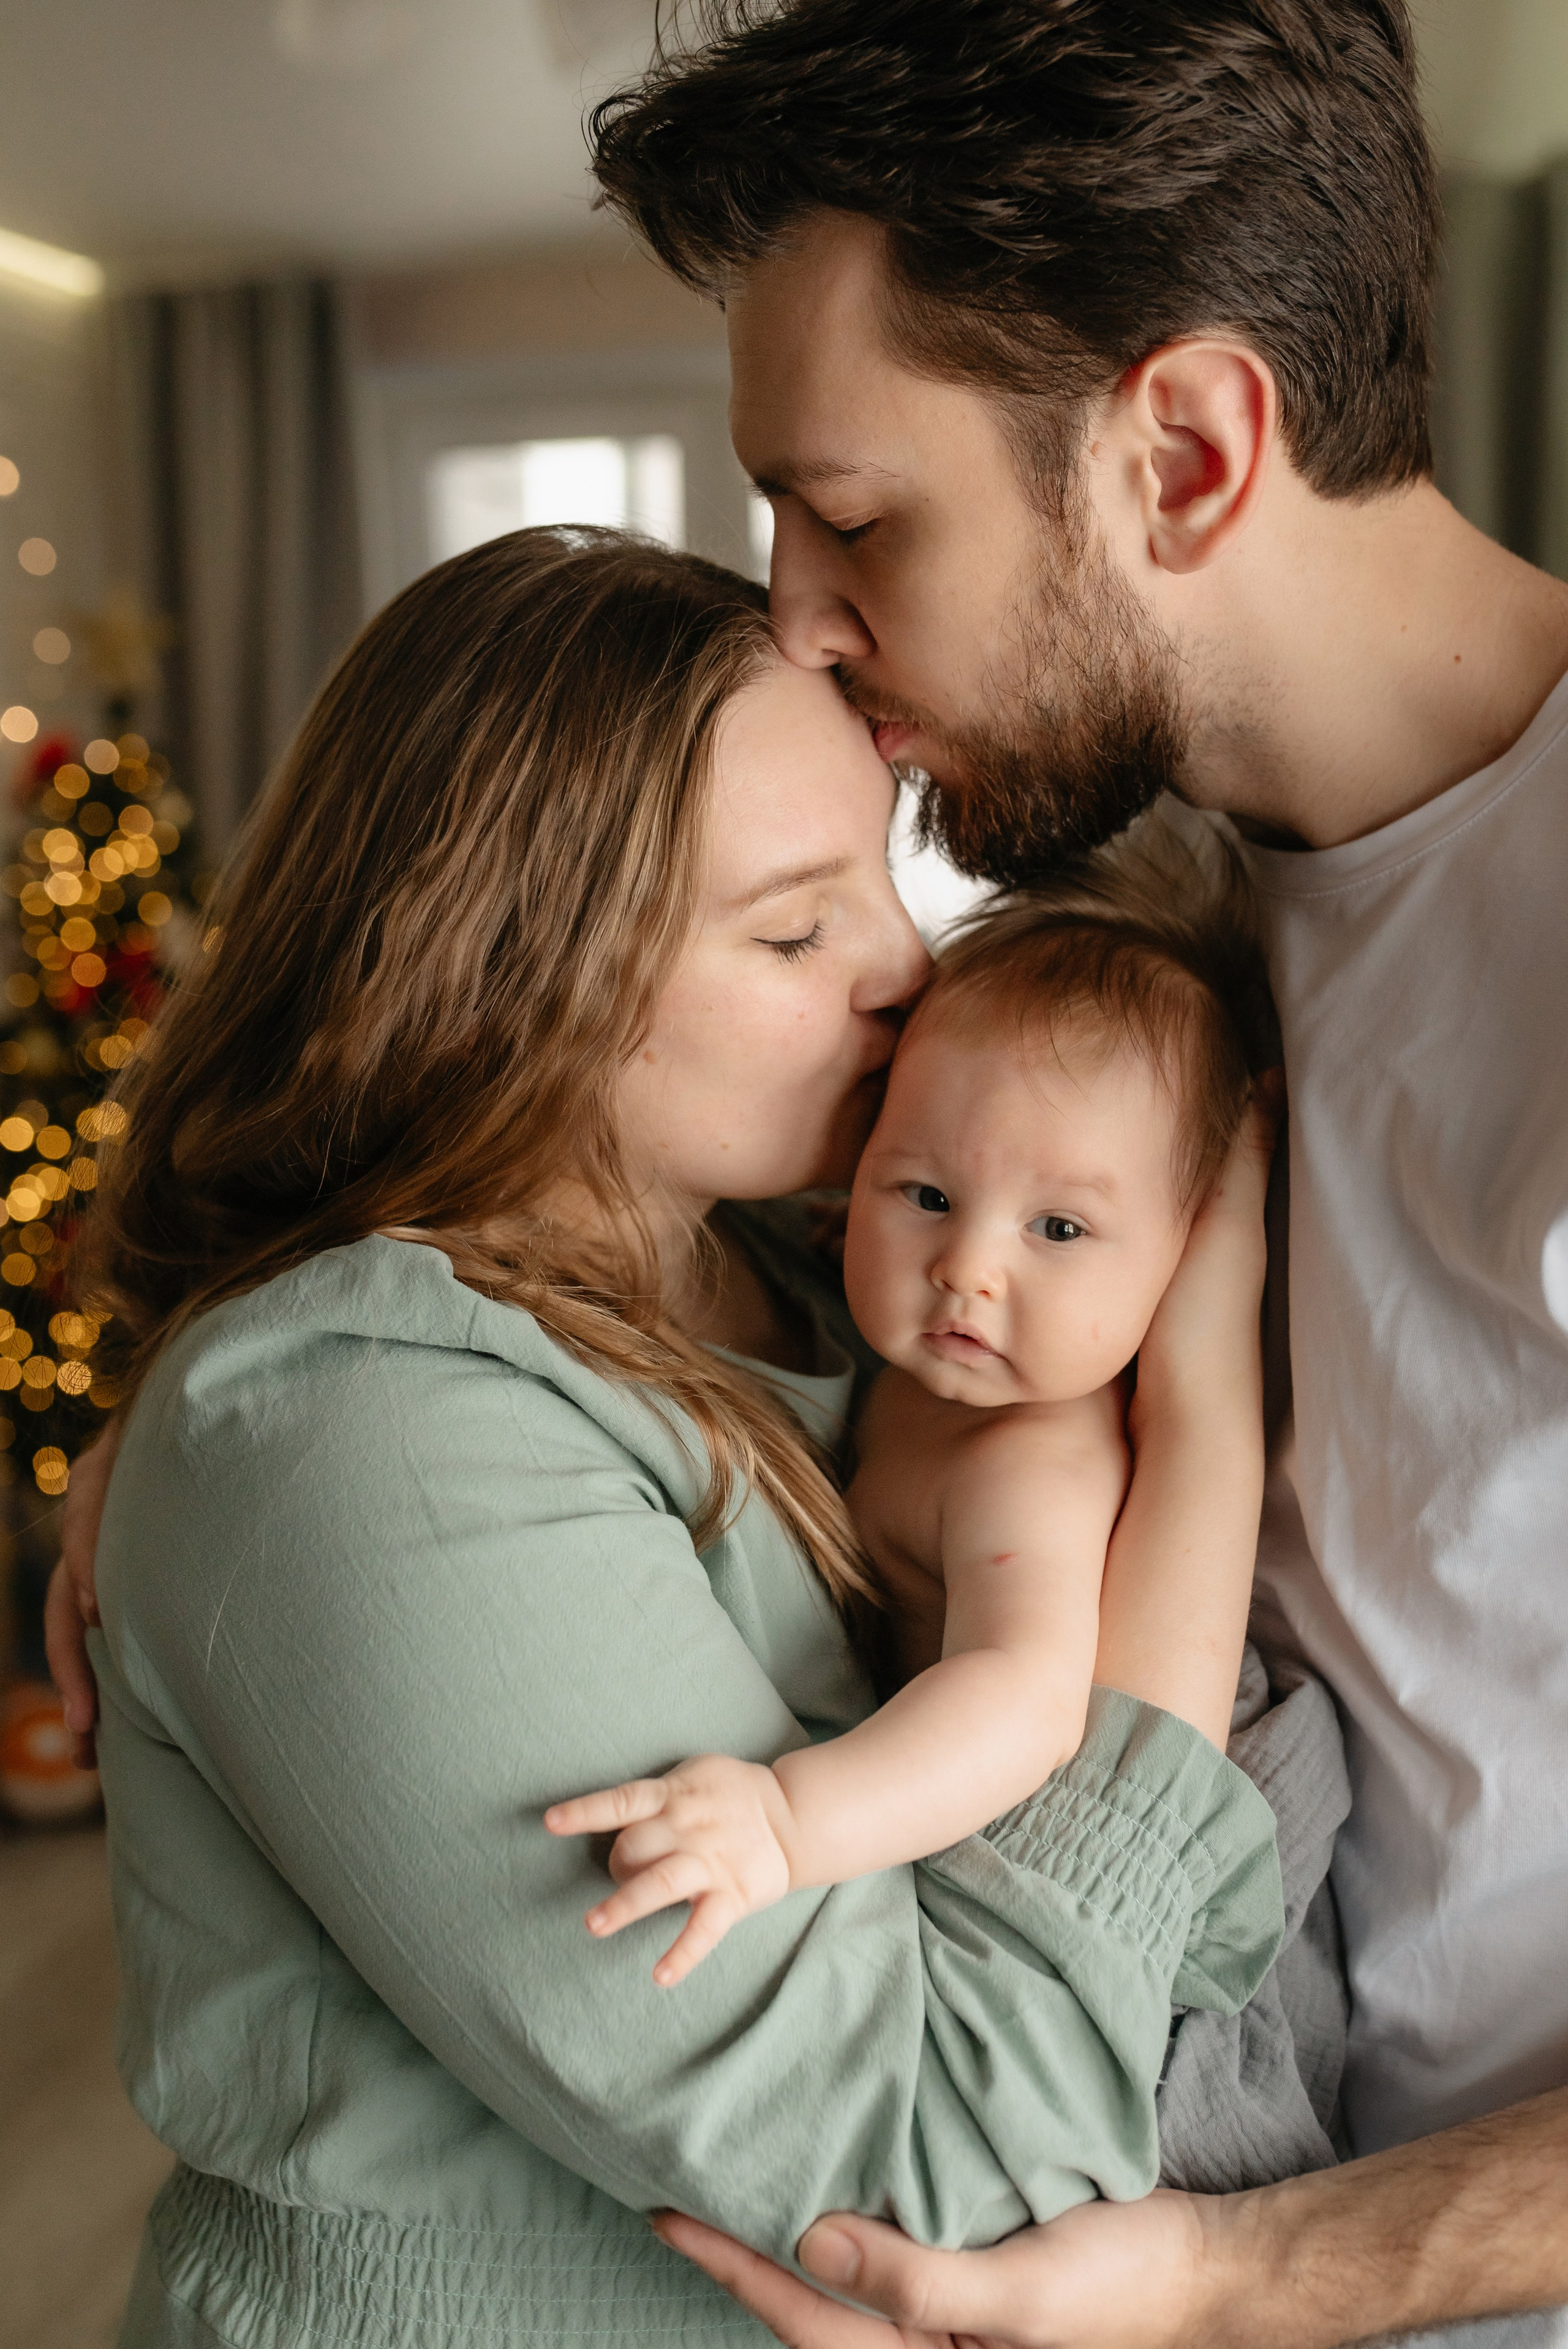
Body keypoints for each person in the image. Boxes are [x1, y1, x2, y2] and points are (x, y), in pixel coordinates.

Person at [581, 0, 1568, 2341]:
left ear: (1193, 454)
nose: (799, 622)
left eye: (852, 515)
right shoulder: (1148, 941)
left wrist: (1236, 2277)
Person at [65, 528, 1289, 2348]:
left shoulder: (812, 1264)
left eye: (881, 873)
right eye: (794, 926)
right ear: (508, 982)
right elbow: (958, 2179)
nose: (900, 968)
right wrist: (1200, 1413)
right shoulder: (357, 1437)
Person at [549, 856, 1275, 1986]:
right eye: (927, 1196)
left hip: (1076, 1902)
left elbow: (1021, 1700)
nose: (969, 1271)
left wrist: (788, 1822)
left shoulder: (1031, 1461)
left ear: (1185, 1255)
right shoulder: (884, 1329)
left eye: (1060, 1229)